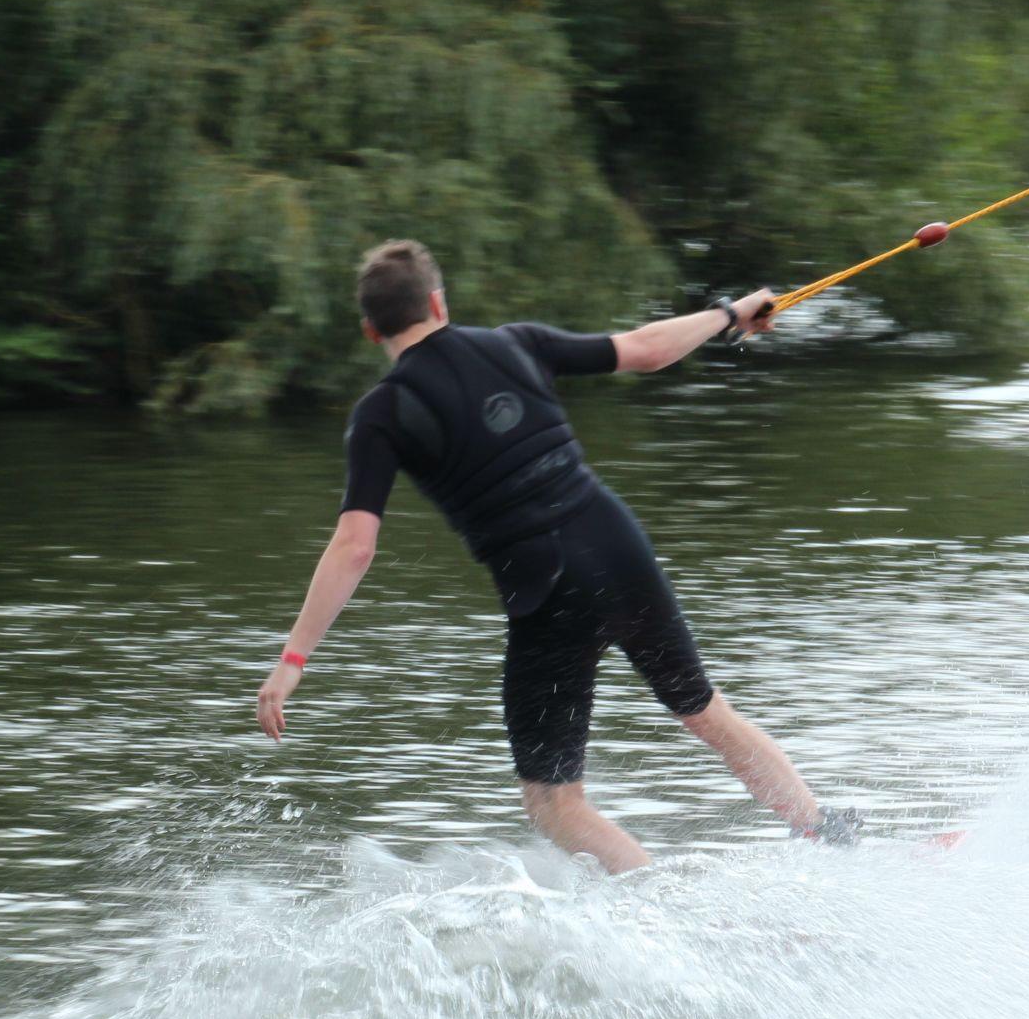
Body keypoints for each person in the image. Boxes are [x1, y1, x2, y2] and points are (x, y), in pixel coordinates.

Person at [254, 239, 859, 873]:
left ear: (370, 329)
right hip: (617, 546)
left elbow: (355, 546)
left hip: (547, 591)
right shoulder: (516, 343)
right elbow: (647, 349)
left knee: (552, 800)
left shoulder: (381, 414)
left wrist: (293, 660)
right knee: (703, 710)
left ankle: (666, 908)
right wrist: (730, 314)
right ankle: (829, 837)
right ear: (437, 302)